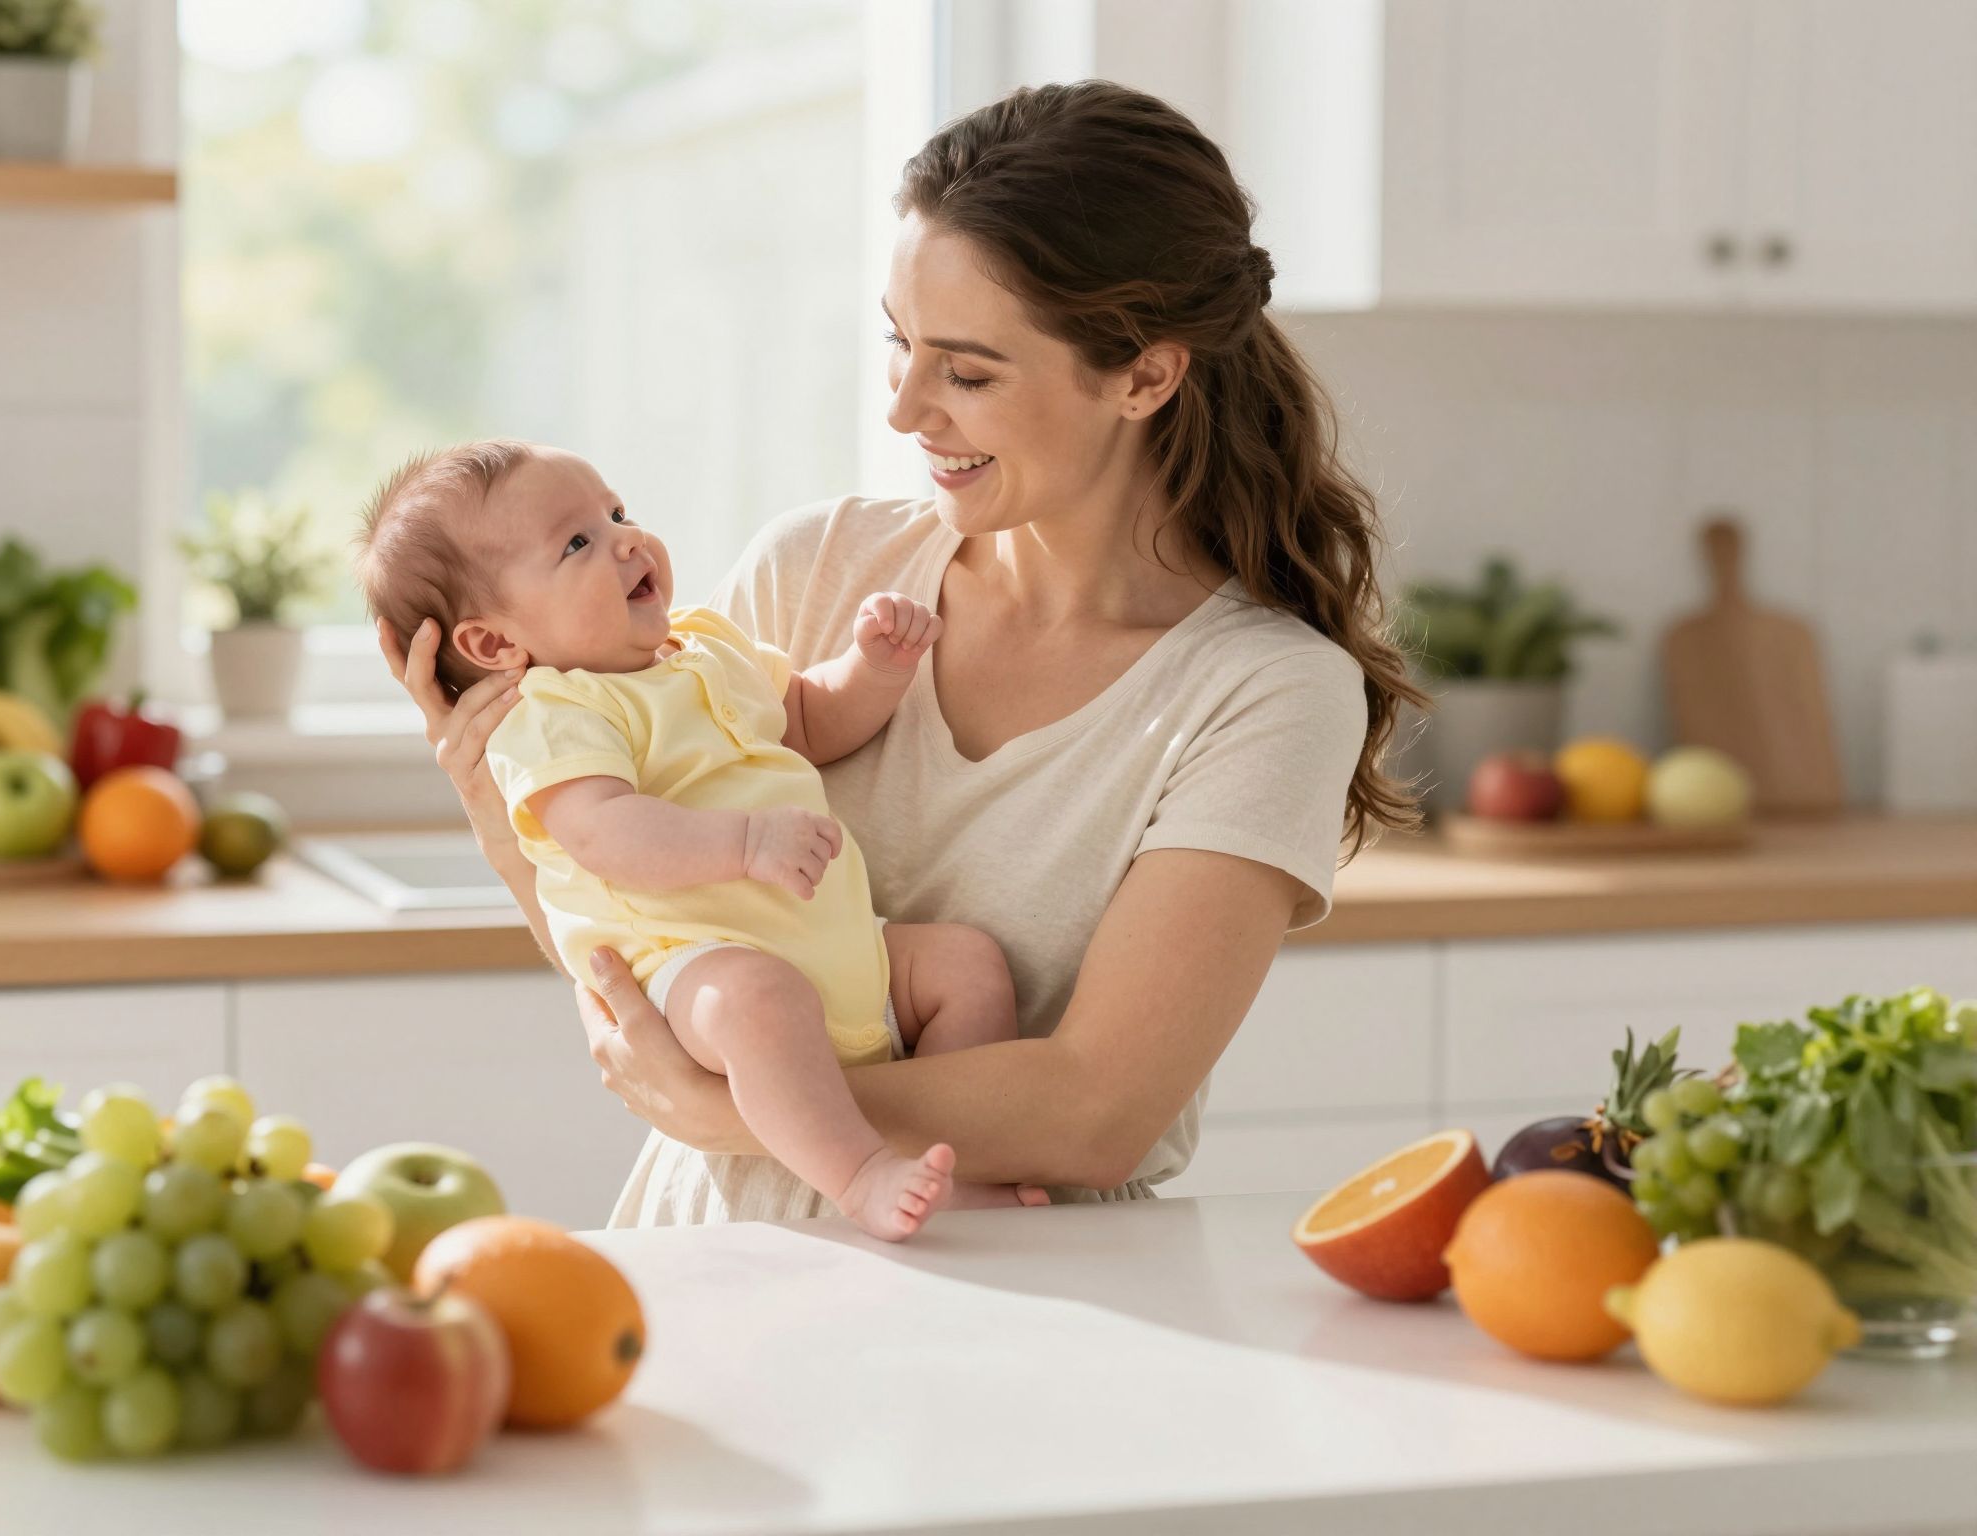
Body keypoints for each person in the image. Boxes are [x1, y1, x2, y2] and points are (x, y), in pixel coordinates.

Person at [380, 80, 1425, 1224]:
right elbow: (640, 948)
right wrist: (499, 813)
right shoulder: (815, 568)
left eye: (967, 373)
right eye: (898, 343)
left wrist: (735, 1111)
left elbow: (1095, 1112)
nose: (904, 409)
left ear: (1143, 376)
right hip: (714, 1248)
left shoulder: (1260, 693)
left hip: (1009, 1284)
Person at [354, 440, 1042, 1239]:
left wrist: (874, 668)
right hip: (694, 961)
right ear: (493, 646)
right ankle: (862, 1175)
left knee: (966, 966)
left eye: (618, 512)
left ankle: (961, 1170)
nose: (626, 540)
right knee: (761, 1001)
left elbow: (806, 716)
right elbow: (603, 834)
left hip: (842, 949)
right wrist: (745, 843)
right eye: (576, 543)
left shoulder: (704, 644)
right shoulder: (553, 713)